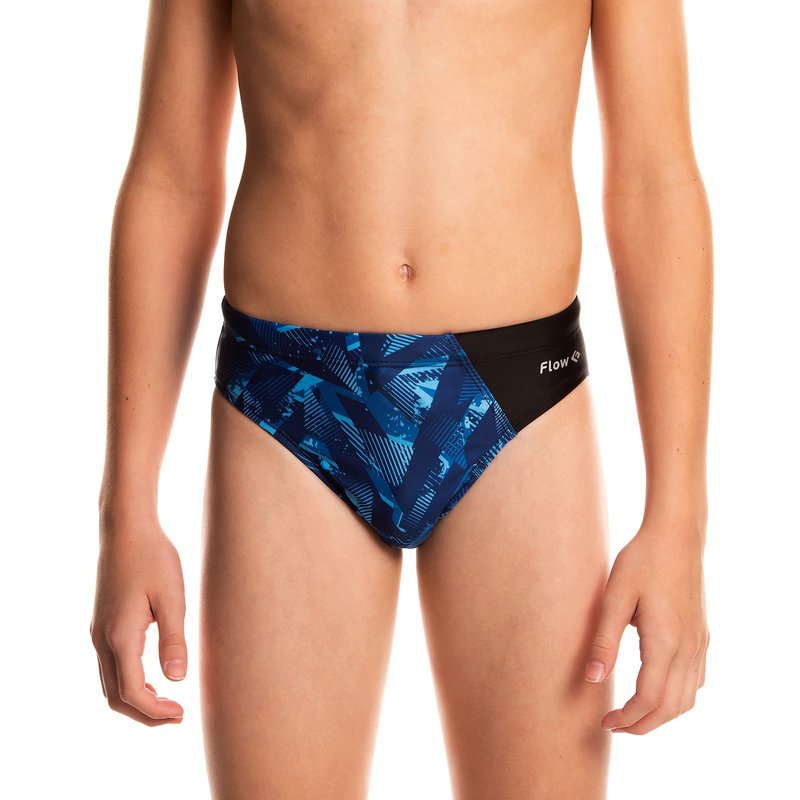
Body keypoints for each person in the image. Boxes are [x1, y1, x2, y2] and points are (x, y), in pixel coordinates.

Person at [90, 0, 712, 797]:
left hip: (518, 396)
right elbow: (171, 174)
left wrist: (678, 526)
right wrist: (126, 514)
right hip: (290, 398)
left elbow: (656, 179)